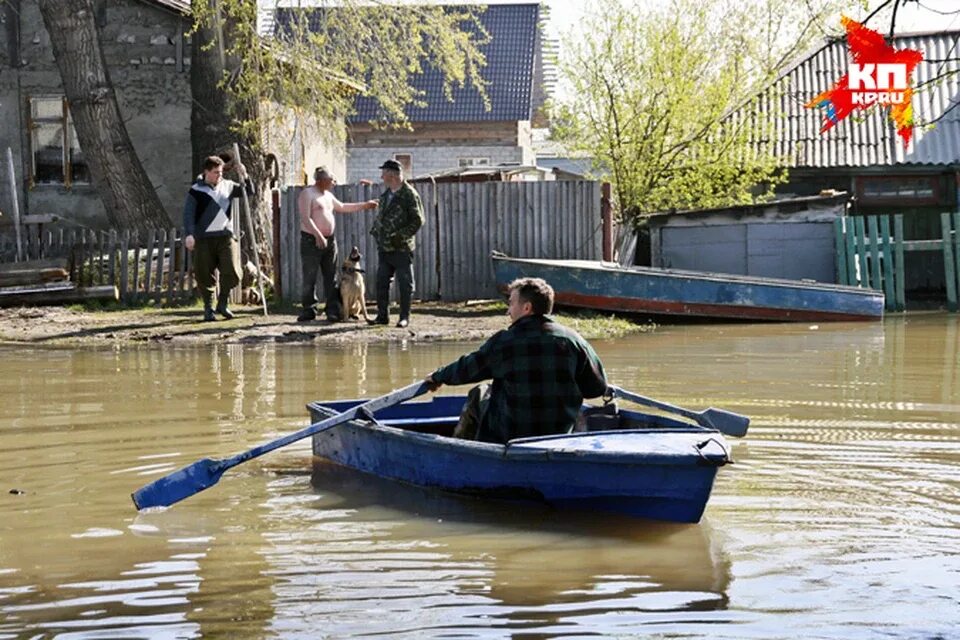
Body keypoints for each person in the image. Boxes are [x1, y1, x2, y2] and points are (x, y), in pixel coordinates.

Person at [424, 277, 608, 444]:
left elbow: (466, 369)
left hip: (512, 436)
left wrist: (438, 376)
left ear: (526, 308)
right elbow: (596, 388)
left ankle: (461, 449)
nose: (508, 311)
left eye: (511, 304)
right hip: (558, 436)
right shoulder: (574, 340)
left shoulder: (505, 341)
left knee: (479, 392)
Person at [297, 166, 378, 322]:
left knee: (331, 277)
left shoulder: (328, 195)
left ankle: (332, 310)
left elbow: (342, 207)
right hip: (311, 240)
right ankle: (309, 310)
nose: (333, 182)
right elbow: (306, 218)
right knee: (310, 275)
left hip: (330, 240)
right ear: (320, 180)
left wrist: (365, 205)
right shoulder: (308, 194)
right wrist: (318, 235)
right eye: (330, 180)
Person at [183, 155, 255, 321]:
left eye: (221, 172)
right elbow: (188, 214)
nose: (219, 175)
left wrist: (244, 175)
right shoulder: (196, 190)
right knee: (204, 274)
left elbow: (248, 191)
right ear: (206, 172)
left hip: (225, 235)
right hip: (203, 238)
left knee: (232, 271)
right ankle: (208, 309)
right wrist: (190, 234)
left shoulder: (228, 186)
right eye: (215, 172)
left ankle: (222, 303)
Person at [369, 159, 424, 328]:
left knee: (405, 284)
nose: (382, 176)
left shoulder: (409, 194)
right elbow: (382, 216)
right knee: (382, 282)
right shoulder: (386, 195)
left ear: (392, 175)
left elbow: (418, 220)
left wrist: (401, 236)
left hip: (401, 247)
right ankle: (382, 316)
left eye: (384, 173)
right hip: (385, 247)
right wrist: (376, 230)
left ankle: (404, 317)